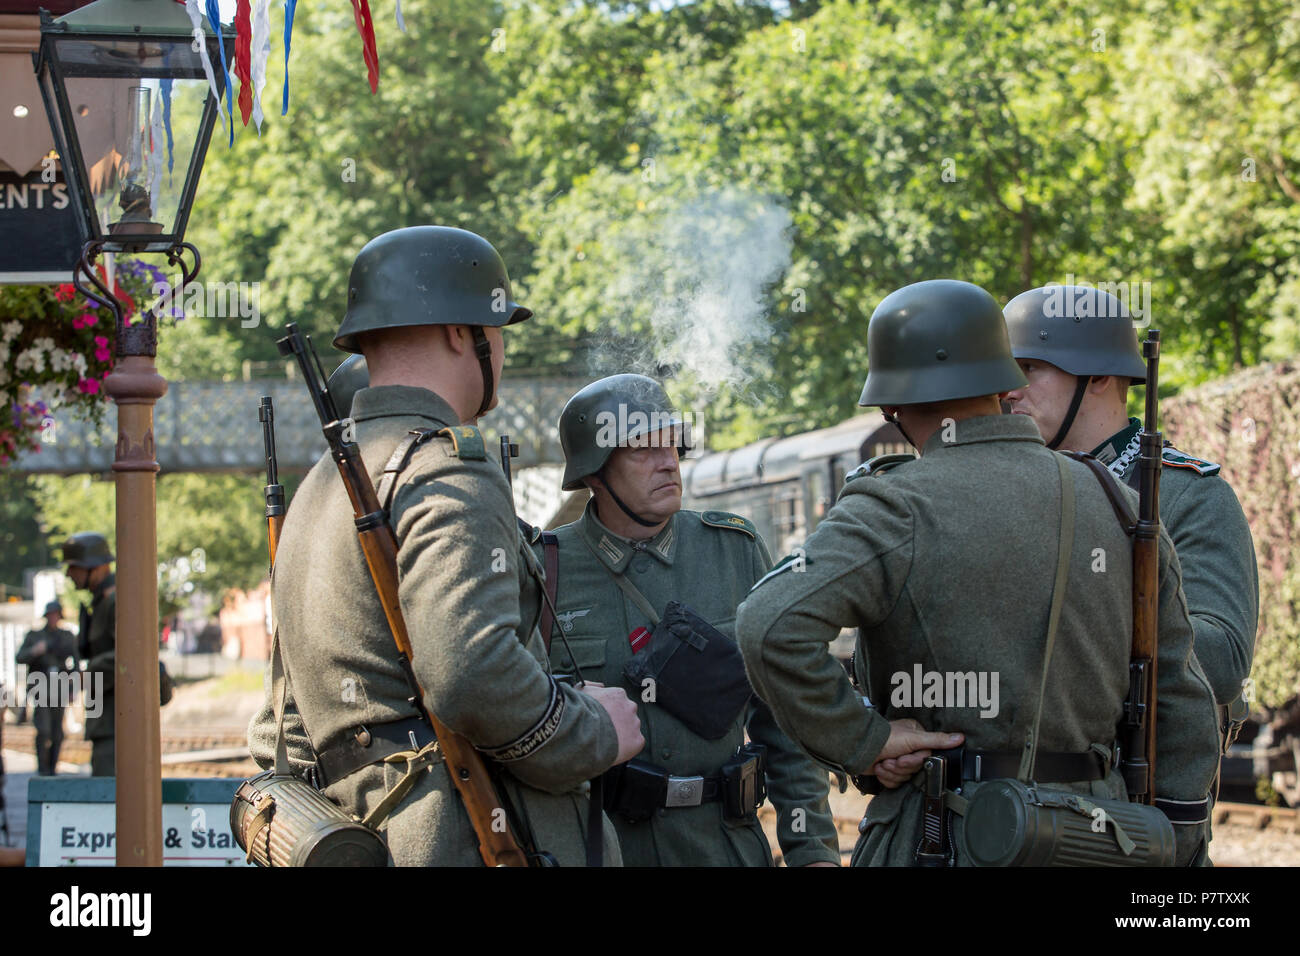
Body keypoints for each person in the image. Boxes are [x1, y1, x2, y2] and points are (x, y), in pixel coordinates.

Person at [736, 279, 1221, 867]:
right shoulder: (1116, 501)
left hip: (941, 834)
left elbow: (768, 624)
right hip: (1100, 839)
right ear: (1003, 384)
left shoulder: (895, 504)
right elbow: (1180, 698)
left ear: (891, 405)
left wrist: (865, 742)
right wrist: (1173, 846)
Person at [246, 225, 642, 866]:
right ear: (464, 334)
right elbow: (470, 674)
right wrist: (593, 730)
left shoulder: (320, 488)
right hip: (464, 838)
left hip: (366, 836)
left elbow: (280, 728)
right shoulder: (447, 466)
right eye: (499, 330)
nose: (503, 350)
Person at [533, 374, 841, 866]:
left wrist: (814, 852)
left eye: (671, 444)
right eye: (641, 449)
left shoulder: (731, 550)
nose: (667, 462)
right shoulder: (545, 569)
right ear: (594, 473)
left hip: (722, 844)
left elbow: (784, 719)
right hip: (604, 847)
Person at [1002, 285, 1258, 723]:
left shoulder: (1189, 496)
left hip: (1125, 784)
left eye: (1030, 368)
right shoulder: (1007, 491)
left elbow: (1221, 658)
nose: (1010, 392)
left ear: (1098, 376)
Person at [62, 532, 116, 777]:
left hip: (118, 724)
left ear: (96, 568)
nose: (69, 574)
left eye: (75, 567)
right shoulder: (100, 603)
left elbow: (133, 657)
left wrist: (89, 673)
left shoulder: (117, 601)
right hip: (107, 721)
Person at [15, 601, 75, 775]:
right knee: (44, 730)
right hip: (40, 688)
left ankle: (52, 768)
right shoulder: (35, 636)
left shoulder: (66, 637)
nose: (53, 618)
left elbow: (75, 662)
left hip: (60, 689)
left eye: (56, 614)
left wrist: (73, 688)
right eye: (51, 615)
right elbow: (20, 657)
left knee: (57, 733)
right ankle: (43, 769)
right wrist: (35, 651)